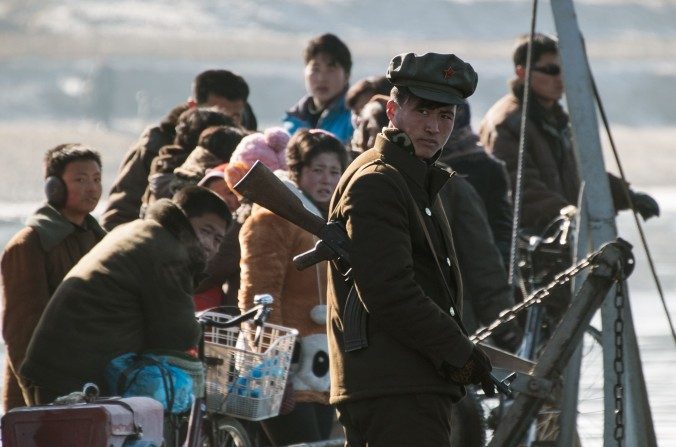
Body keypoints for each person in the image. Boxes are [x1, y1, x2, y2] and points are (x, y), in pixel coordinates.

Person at [327, 52, 495, 447]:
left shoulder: (413, 176)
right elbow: (389, 292)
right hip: (394, 389)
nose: (434, 127)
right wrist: (459, 352)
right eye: (423, 112)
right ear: (392, 110)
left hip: (405, 384)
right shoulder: (379, 181)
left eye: (446, 116)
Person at [20, 186, 232, 405]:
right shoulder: (168, 251)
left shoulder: (139, 229)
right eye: (205, 231)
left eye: (217, 240)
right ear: (184, 219)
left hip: (50, 365)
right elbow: (177, 334)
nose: (209, 246)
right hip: (75, 376)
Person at [479, 33, 659, 233]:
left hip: (562, 237)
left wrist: (627, 196)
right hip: (529, 243)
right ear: (522, 72)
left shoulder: (555, 118)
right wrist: (566, 213)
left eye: (564, 69)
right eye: (552, 70)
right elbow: (520, 188)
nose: (560, 78)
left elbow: (580, 173)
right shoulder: (507, 122)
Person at [239, 129, 348, 445]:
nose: (326, 180)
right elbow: (258, 295)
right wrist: (275, 365)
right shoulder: (271, 218)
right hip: (283, 367)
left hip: (322, 369)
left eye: (334, 171)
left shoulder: (332, 221)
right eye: (317, 170)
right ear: (297, 171)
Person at [0, 144, 106, 411]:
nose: (92, 188)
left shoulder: (101, 240)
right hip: (43, 392)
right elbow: (21, 330)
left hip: (89, 383)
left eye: (96, 180)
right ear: (54, 187)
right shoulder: (30, 244)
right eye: (80, 180)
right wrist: (38, 397)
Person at [101, 69, 254, 231]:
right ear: (193, 106)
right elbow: (120, 212)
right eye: (215, 113)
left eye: (235, 116)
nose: (227, 124)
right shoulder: (156, 144)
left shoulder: (251, 149)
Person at [440, 100, 513, 265]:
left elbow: (502, 231)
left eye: (445, 115)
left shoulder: (486, 167)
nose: (434, 126)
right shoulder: (410, 161)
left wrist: (501, 275)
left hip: (475, 267)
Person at [283, 33, 354, 144]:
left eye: (331, 69)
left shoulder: (355, 119)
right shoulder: (293, 120)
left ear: (347, 75)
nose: (322, 78)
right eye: (315, 69)